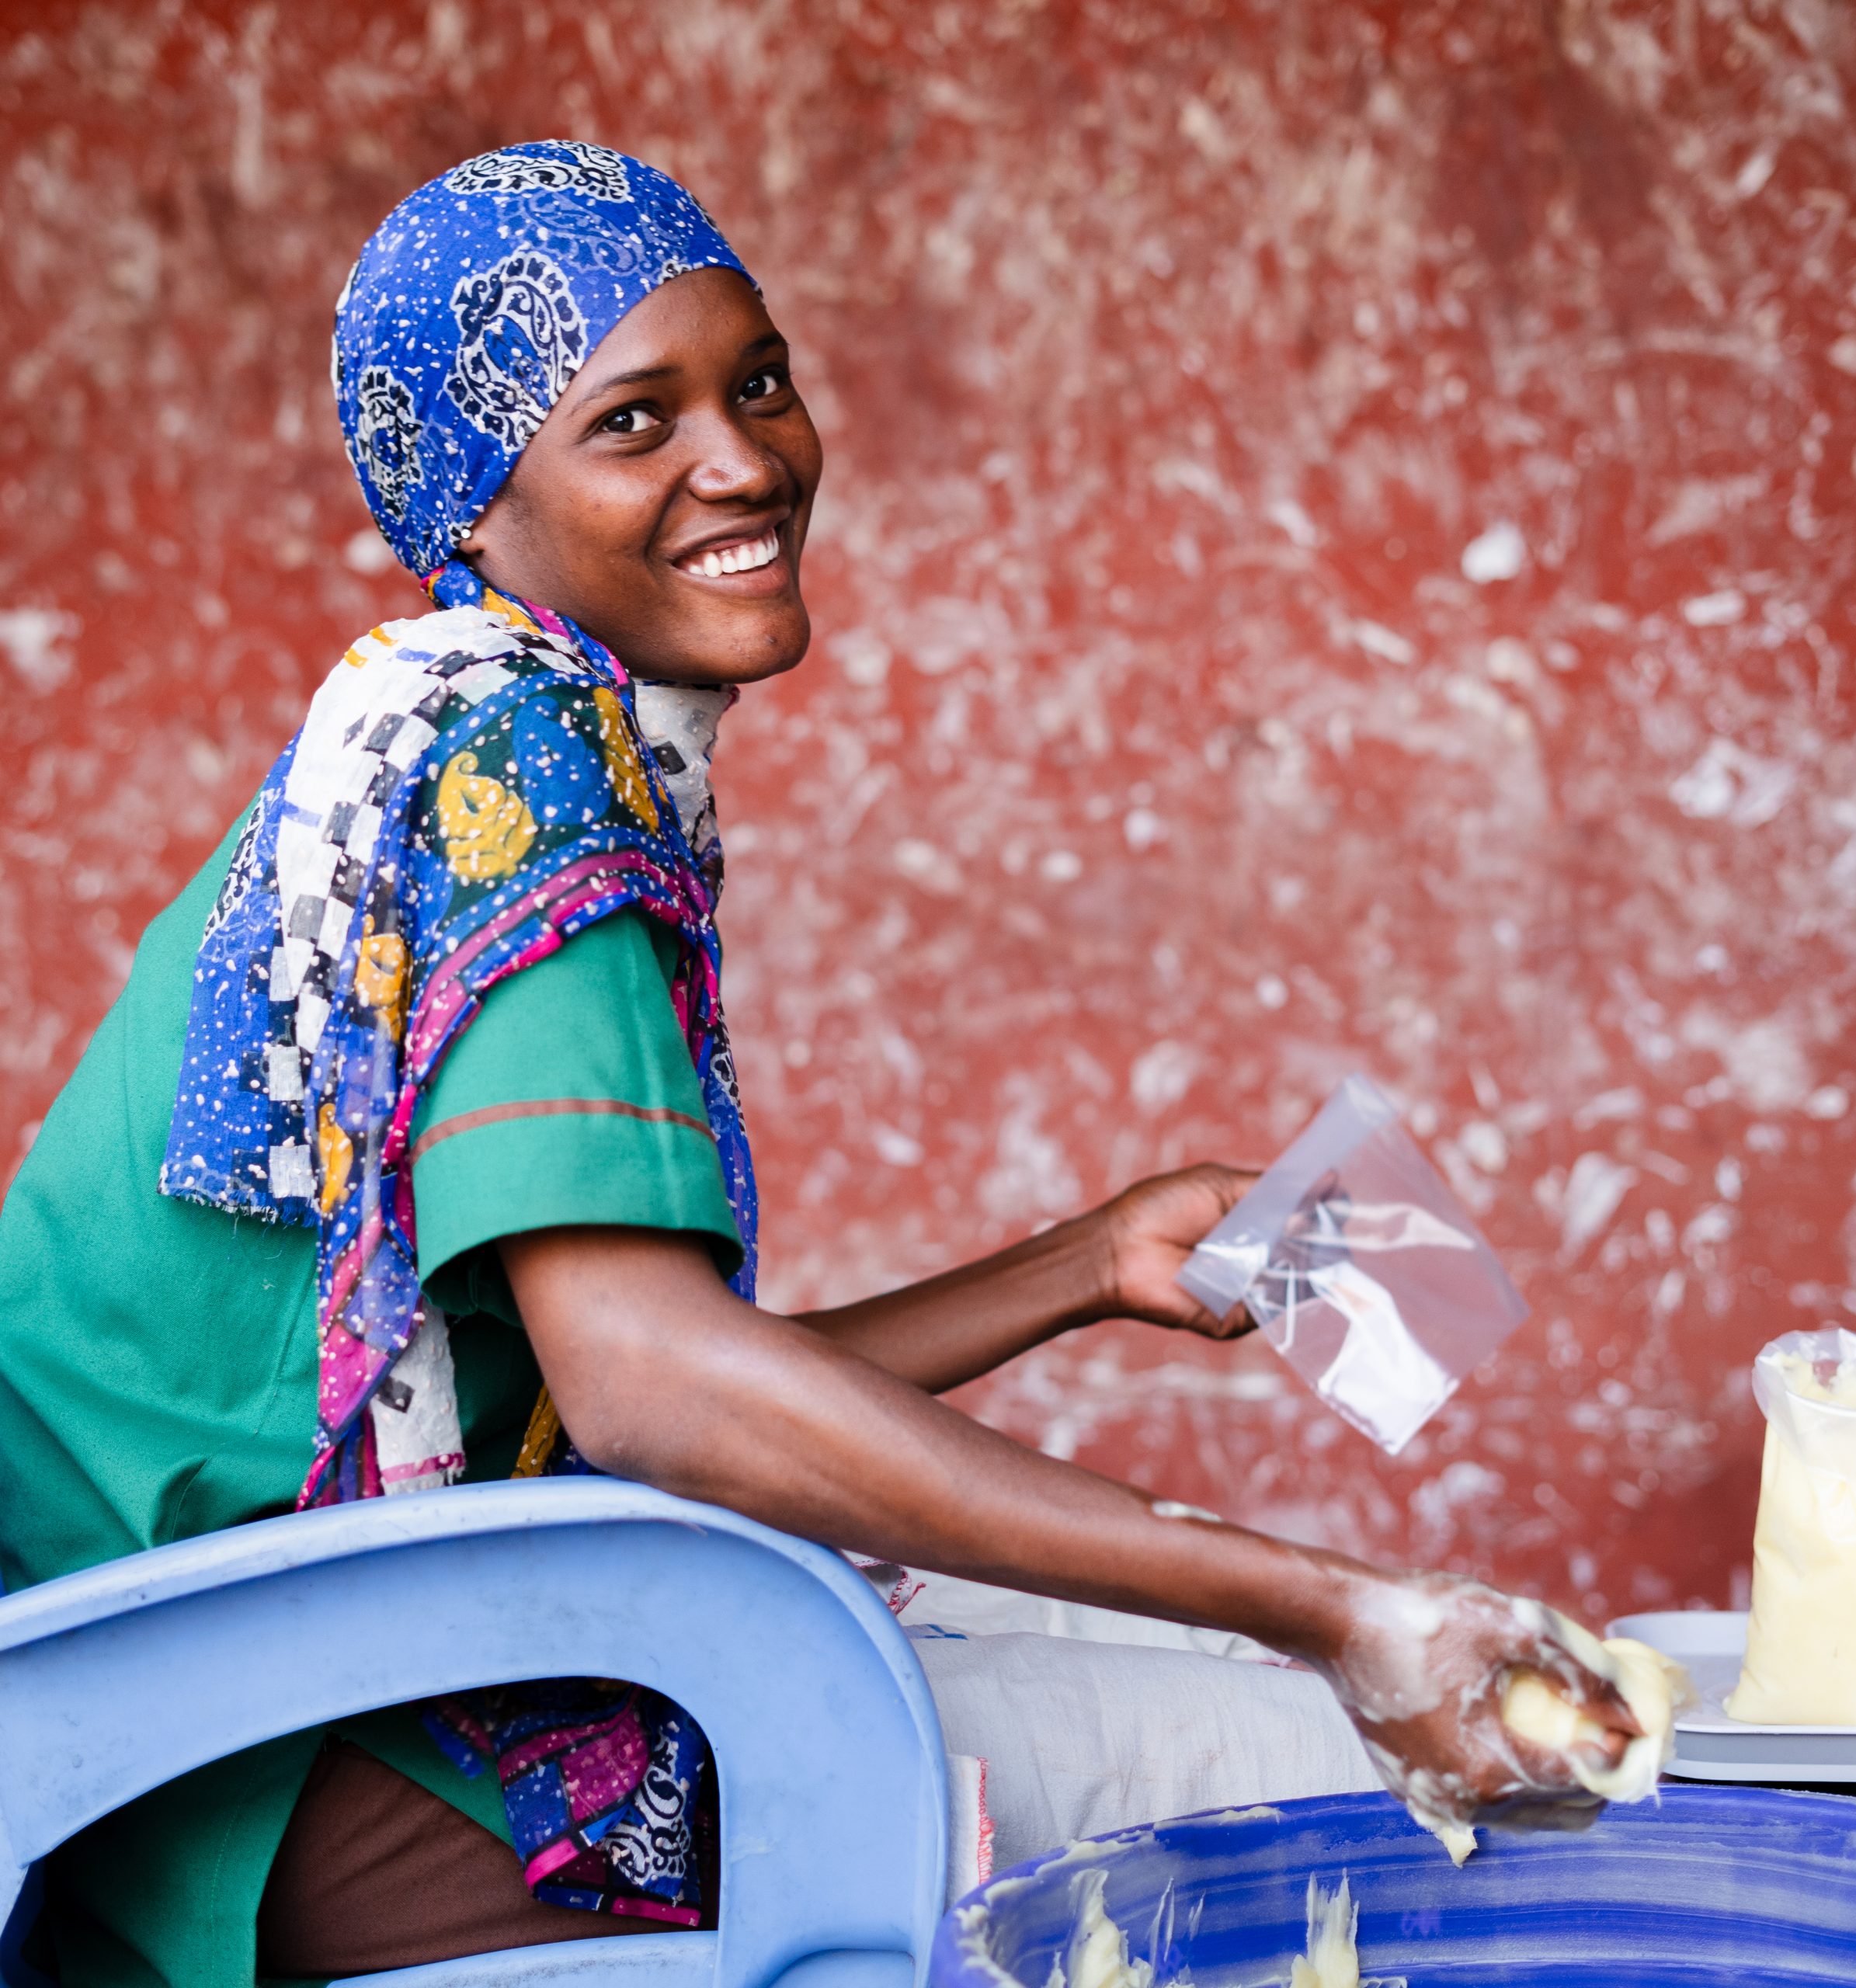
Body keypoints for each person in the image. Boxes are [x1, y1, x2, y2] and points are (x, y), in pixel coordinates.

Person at [0, 143, 1637, 1983]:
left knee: (1188, 1689)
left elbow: (633, 1389)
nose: (744, 460)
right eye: (634, 421)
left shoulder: (436, 727)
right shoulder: (513, 772)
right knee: (1296, 1775)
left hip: (210, 1707)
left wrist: (1091, 1259)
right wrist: (1333, 1605)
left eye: (756, 380)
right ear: (479, 503)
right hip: (242, 1759)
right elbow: (658, 1400)